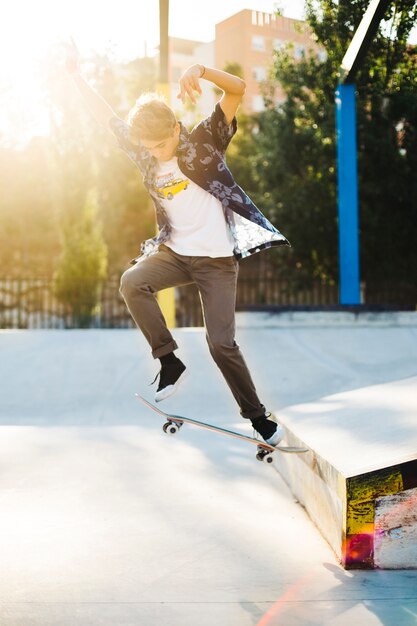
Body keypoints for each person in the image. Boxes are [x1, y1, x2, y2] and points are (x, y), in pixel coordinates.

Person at [64, 39, 290, 446]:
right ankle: (168, 360)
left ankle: (258, 417)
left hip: (217, 262)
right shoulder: (145, 152)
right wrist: (76, 76)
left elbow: (237, 89)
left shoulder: (205, 140)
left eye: (162, 145)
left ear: (175, 127)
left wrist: (200, 71)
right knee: (132, 282)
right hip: (175, 254)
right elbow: (106, 117)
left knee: (221, 344)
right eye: (148, 149)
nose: (155, 153)